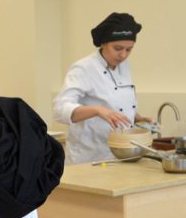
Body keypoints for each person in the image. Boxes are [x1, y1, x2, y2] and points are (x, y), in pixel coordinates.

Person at [53, 12, 153, 164]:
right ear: (104, 43)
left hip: (121, 155)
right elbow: (60, 109)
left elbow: (115, 103)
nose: (123, 55)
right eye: (118, 48)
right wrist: (97, 110)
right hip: (90, 157)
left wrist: (136, 117)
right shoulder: (84, 68)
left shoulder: (124, 67)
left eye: (129, 49)